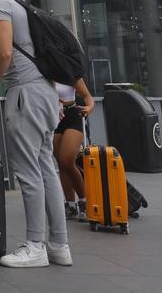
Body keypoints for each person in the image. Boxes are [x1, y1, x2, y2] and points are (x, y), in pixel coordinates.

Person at [0, 0, 72, 268]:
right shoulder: (23, 5)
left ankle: (34, 246)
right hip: (45, 92)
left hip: (25, 94)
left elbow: (4, 52)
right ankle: (59, 245)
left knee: (28, 172)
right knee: (46, 169)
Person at [53, 78, 94, 220]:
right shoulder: (45, 72)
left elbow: (88, 97)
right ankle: (70, 204)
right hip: (54, 116)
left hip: (72, 115)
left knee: (67, 160)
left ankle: (84, 201)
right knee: (61, 163)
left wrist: (88, 108)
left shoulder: (70, 72)